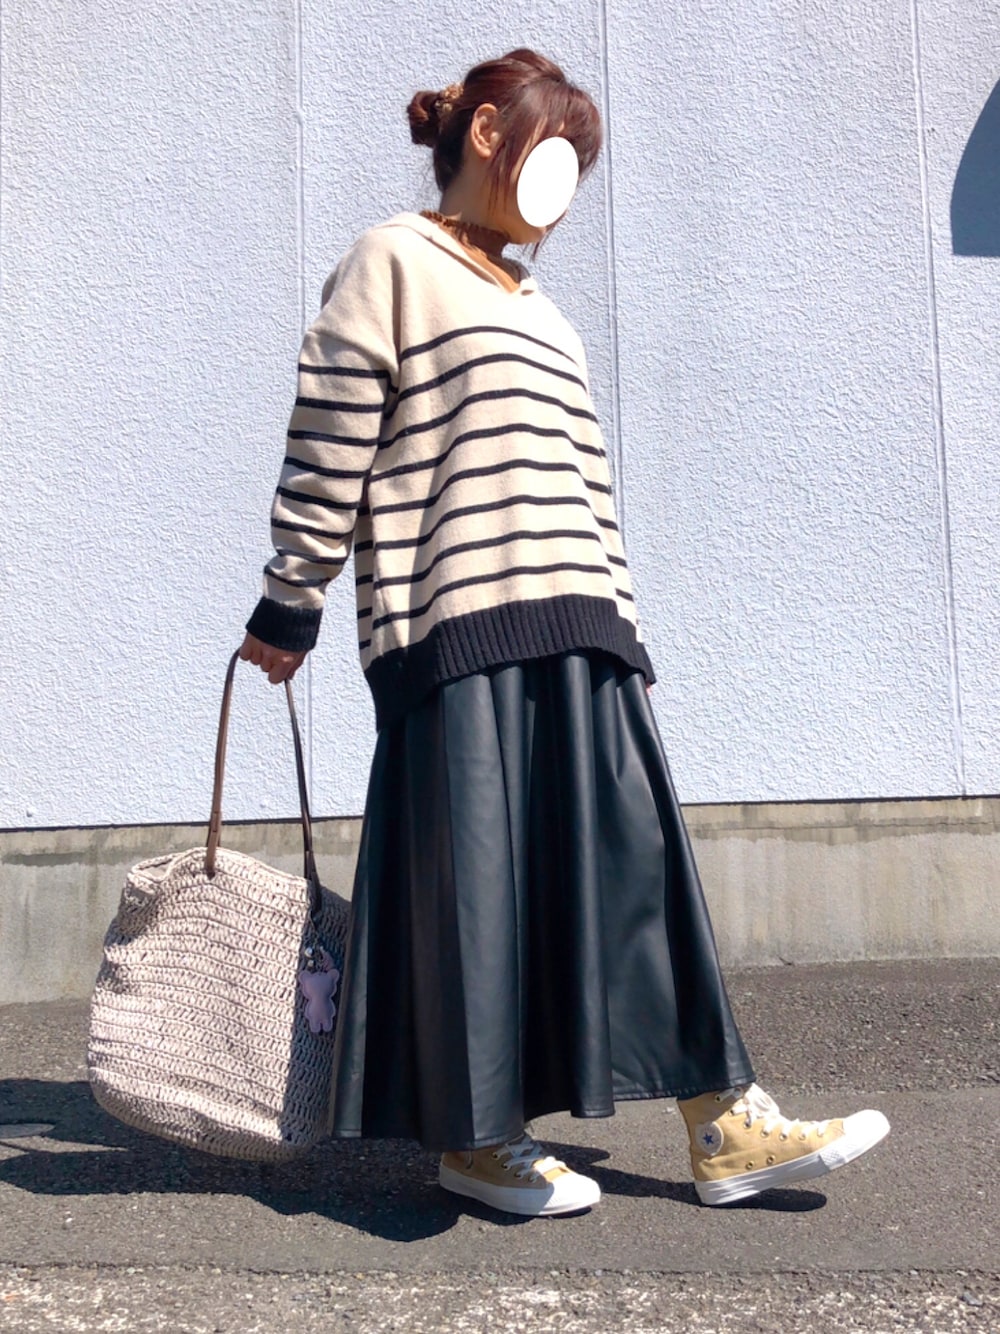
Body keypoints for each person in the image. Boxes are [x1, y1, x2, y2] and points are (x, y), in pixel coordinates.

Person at [239, 48, 889, 1217]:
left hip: (580, 625)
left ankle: (726, 1123)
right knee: (478, 889)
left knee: (637, 876)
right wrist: (294, 595)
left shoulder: (540, 310)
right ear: (489, 132)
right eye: (557, 154)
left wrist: (622, 627)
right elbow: (330, 431)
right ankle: (479, 1139)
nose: (565, 190)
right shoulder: (392, 261)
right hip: (455, 625)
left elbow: (585, 482)